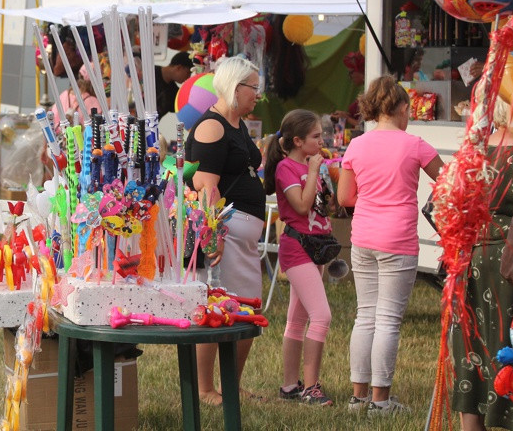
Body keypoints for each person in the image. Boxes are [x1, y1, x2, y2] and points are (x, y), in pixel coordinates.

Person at [337, 75, 443, 415]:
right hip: (398, 238)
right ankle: (381, 401)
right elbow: (449, 180)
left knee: (364, 316)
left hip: (363, 237)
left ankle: (358, 398)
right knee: (388, 320)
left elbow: (345, 197)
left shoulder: (357, 145)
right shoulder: (415, 145)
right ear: (400, 108)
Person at [184, 55, 266, 406]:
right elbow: (204, 189)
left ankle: (230, 384)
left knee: (245, 311)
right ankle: (205, 389)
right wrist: (212, 236)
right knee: (217, 309)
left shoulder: (236, 124)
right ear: (235, 87)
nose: (257, 96)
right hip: (226, 236)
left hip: (244, 237)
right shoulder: (212, 126)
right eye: (253, 88)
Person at [452, 94, 513, 430]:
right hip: (510, 262)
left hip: (469, 257)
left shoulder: (472, 150)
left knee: (472, 345)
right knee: (509, 341)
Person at [263, 109, 334, 406]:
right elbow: (301, 207)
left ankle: (290, 385)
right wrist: (315, 171)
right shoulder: (286, 169)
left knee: (297, 318)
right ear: (297, 140)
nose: (322, 141)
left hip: (315, 245)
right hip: (297, 247)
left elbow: (319, 206)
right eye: (316, 137)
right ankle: (311, 387)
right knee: (322, 316)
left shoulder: (307, 165)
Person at [155, 51, 193, 118]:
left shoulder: (174, 94)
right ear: (179, 68)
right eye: (188, 73)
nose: (188, 78)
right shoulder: (148, 73)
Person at [333, 51, 365, 128]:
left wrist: (346, 118)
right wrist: (345, 115)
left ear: (360, 70)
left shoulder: (371, 92)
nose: (350, 77)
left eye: (351, 72)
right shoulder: (366, 89)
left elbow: (364, 126)